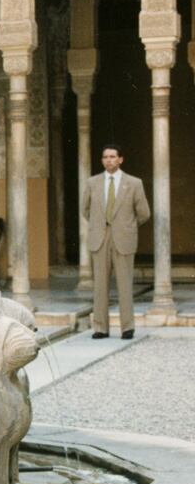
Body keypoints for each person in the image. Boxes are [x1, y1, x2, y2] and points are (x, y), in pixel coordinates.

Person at [82, 143, 151, 340]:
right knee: (100, 285)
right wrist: (99, 224)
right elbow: (85, 209)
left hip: (124, 238)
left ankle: (127, 327)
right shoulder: (92, 183)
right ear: (102, 160)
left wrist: (127, 225)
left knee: (125, 284)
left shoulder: (134, 183)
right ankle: (100, 328)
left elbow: (144, 212)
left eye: (113, 157)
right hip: (100, 238)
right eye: (105, 157)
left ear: (120, 159)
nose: (109, 160)